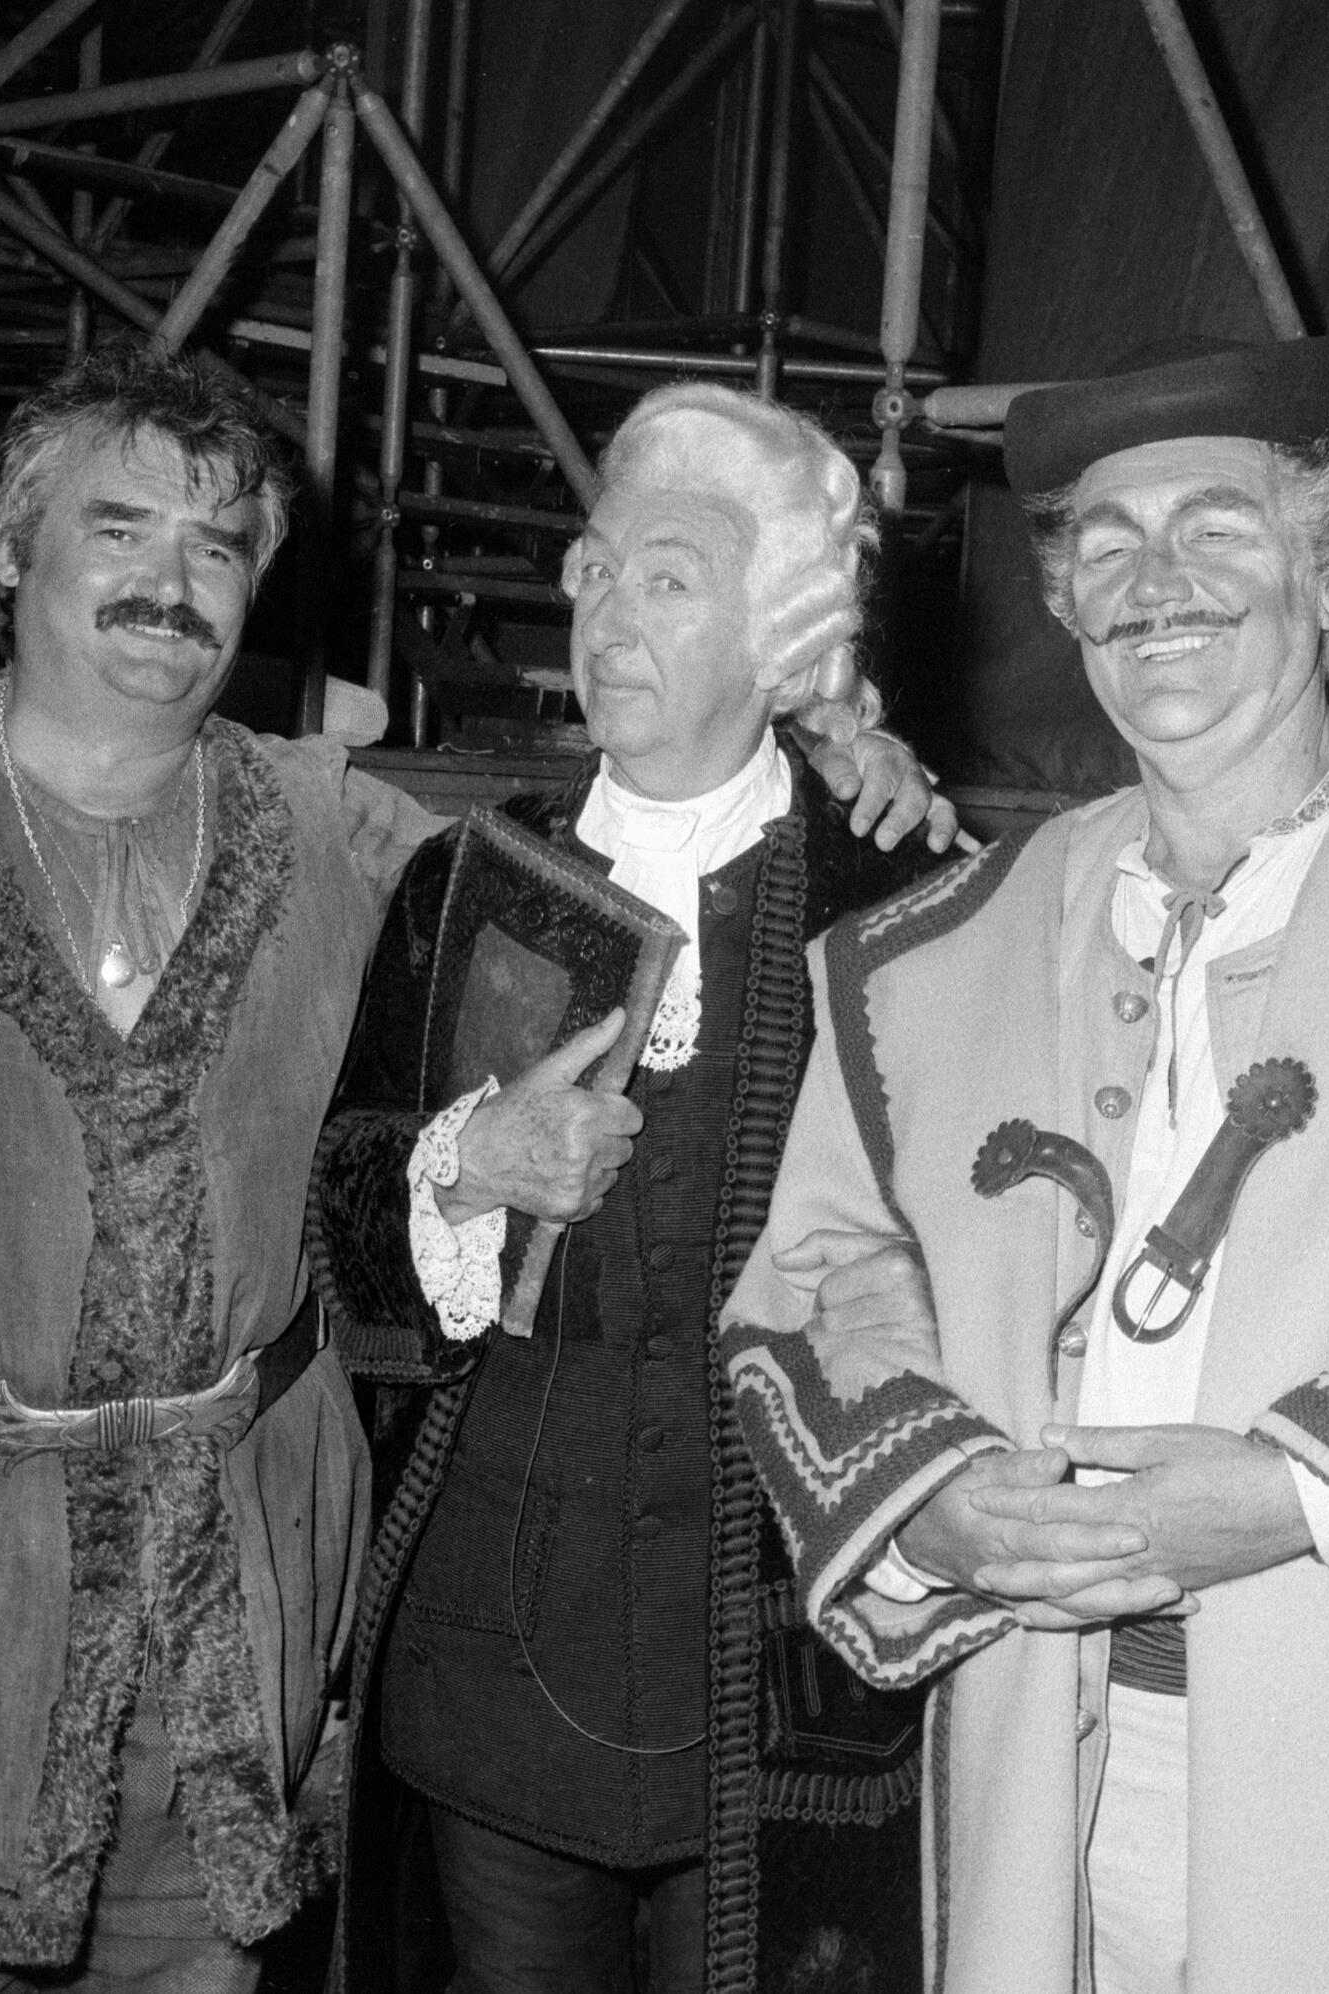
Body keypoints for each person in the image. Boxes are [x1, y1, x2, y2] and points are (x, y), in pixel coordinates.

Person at [0, 343, 950, 1993]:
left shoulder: (334, 826)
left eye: (218, 546)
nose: (171, 583)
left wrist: (839, 749)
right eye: (120, 529)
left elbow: (625, 845)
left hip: (236, 1594)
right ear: (10, 547)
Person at [718, 336, 1329, 1993]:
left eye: (1219, 527)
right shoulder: (927, 954)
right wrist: (934, 1503)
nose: (1153, 582)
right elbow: (820, 1281)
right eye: (1105, 543)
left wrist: (1293, 1495)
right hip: (1058, 1764)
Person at [311, 383, 944, 1994]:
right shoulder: (468, 881)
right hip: (497, 1649)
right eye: (596, 570)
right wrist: (467, 1166)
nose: (606, 613)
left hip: (785, 1668)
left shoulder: (904, 897)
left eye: (669, 578)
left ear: (782, 633)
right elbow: (340, 1216)